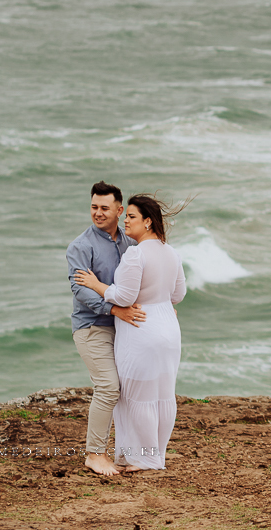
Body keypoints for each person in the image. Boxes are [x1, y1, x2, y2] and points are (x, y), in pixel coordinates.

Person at [74, 193, 187, 472]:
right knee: (161, 396)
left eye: (131, 217)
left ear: (148, 222)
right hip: (169, 330)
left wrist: (97, 284)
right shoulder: (171, 252)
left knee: (135, 397)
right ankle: (153, 455)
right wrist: (160, 301)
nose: (126, 222)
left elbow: (123, 296)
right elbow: (179, 294)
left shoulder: (135, 252)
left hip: (141, 329)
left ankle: (141, 458)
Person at [67, 181, 148, 477]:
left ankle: (127, 455)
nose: (98, 213)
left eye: (104, 208)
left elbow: (142, 283)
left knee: (128, 390)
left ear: (119, 210)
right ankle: (94, 454)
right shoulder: (80, 246)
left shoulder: (131, 245)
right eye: (93, 207)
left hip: (124, 328)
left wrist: (159, 304)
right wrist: (115, 309)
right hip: (92, 327)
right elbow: (80, 290)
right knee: (108, 387)